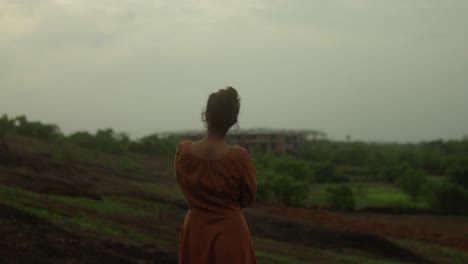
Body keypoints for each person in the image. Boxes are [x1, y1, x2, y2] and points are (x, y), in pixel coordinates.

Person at [174, 86, 257, 264]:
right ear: (233, 121)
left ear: (206, 115)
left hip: (195, 232)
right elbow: (248, 197)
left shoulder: (183, 152)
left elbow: (182, 184)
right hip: (230, 232)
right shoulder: (239, 158)